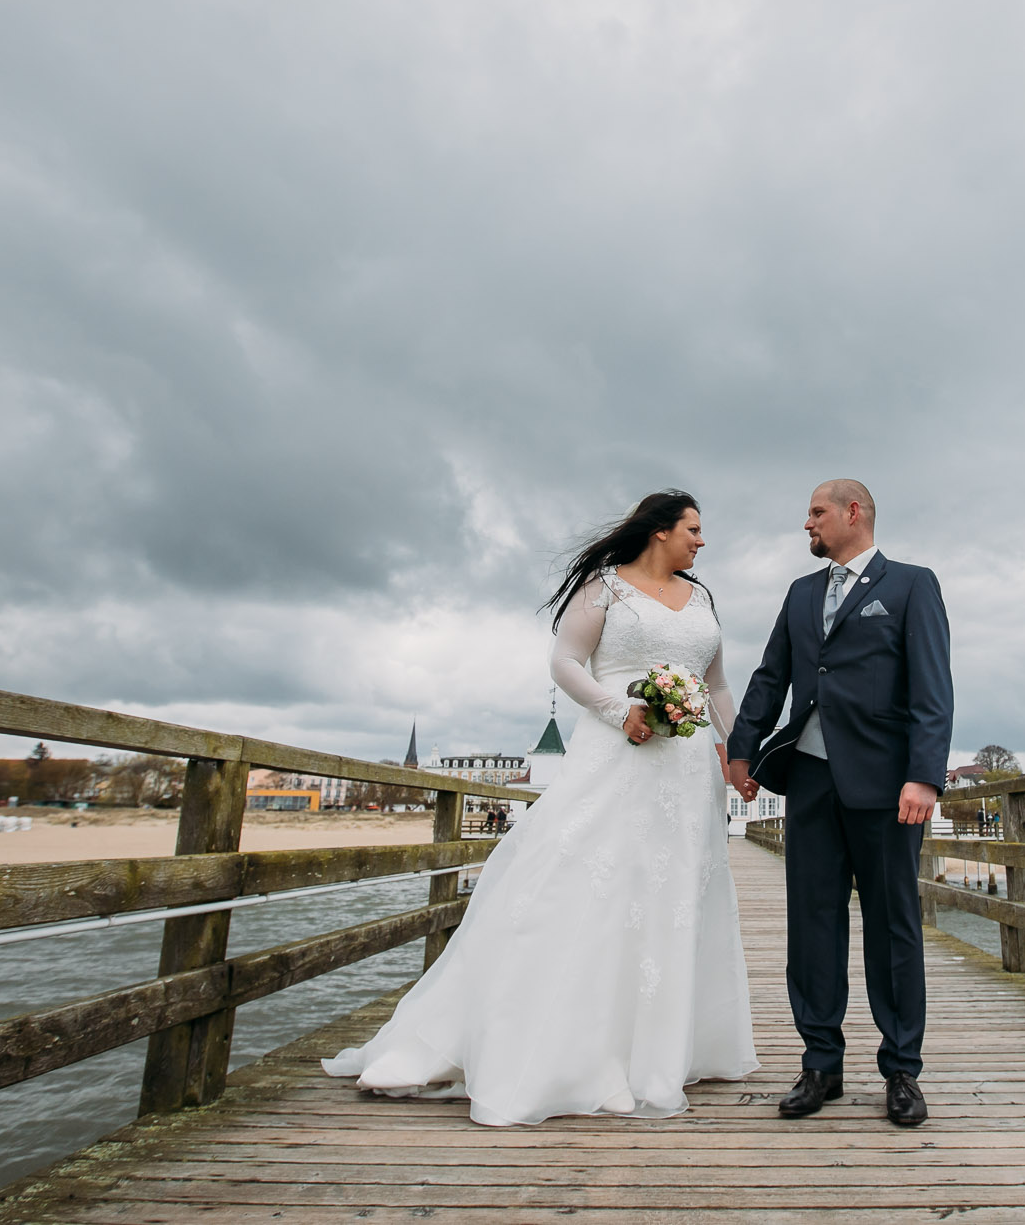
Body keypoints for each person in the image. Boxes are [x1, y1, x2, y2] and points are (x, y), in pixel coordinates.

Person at [321, 490, 758, 1124]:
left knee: (673, 894)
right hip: (617, 756)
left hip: (689, 773)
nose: (701, 540)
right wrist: (620, 711)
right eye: (693, 529)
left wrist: (736, 750)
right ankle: (564, 1045)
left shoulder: (705, 598)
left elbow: (715, 685)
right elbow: (565, 661)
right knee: (587, 886)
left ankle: (659, 1048)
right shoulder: (604, 588)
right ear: (660, 531)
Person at [725, 479, 953, 1127]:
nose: (807, 523)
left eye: (817, 512)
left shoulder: (912, 585)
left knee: (893, 925)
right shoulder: (799, 594)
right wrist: (742, 750)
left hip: (887, 787)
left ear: (854, 513)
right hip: (812, 782)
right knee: (812, 923)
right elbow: (771, 675)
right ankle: (820, 1062)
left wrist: (925, 774)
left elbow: (933, 687)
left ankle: (902, 1068)